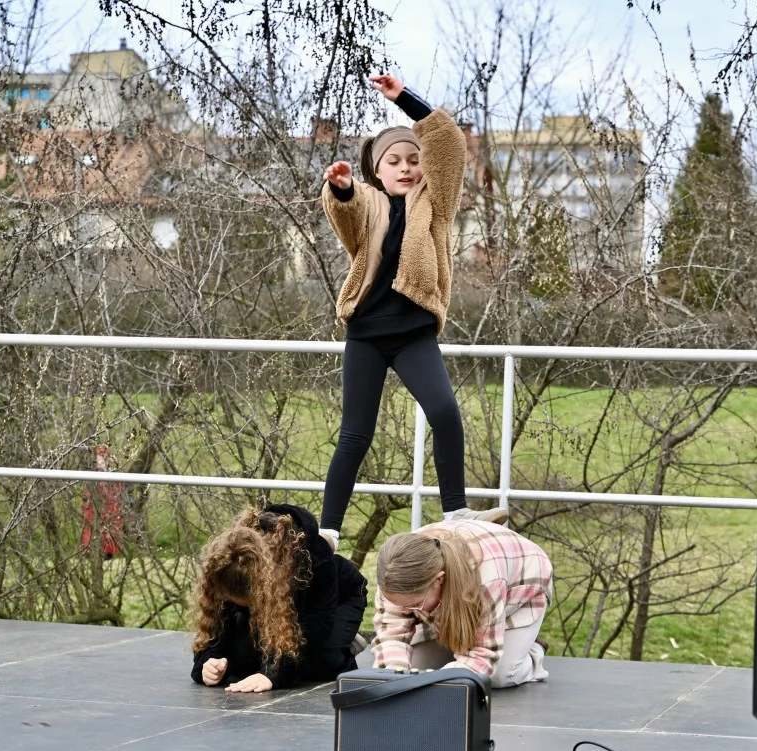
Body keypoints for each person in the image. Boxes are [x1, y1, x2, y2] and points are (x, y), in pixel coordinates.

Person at [318, 72, 508, 553]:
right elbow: (346, 211)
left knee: (444, 411)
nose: (406, 168)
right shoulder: (370, 205)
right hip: (366, 332)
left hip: (413, 333)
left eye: (413, 160)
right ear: (377, 171)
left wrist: (404, 99)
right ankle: (328, 530)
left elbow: (448, 144)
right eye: (394, 161)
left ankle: (456, 511)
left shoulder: (436, 202)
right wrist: (342, 188)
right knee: (355, 434)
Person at [190, 503, 368, 693]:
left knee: (322, 662)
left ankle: (343, 642)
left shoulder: (315, 559)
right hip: (277, 604)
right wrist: (208, 662)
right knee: (242, 660)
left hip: (338, 599)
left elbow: (316, 626)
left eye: (251, 603)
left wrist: (273, 675)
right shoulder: (229, 565)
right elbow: (215, 628)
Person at [371, 518, 553, 689]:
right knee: (417, 670)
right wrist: (393, 676)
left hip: (520, 588)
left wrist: (447, 683)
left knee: (500, 676)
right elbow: (391, 635)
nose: (406, 612)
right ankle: (458, 642)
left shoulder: (486, 578)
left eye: (415, 605)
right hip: (453, 592)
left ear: (439, 579)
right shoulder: (393, 573)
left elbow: (483, 655)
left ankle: (530, 649)